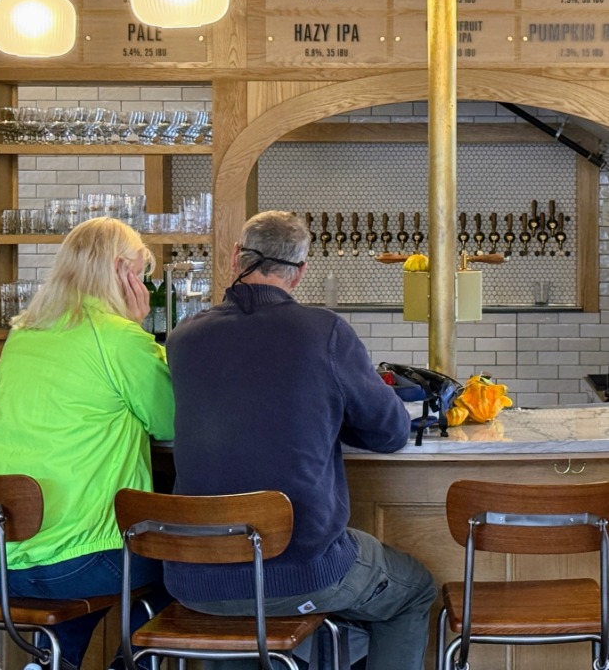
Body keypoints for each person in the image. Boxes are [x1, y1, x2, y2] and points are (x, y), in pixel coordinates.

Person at [165, 211, 437, 670]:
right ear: (301, 271)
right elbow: (390, 431)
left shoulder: (183, 339)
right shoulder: (324, 332)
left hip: (195, 578)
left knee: (243, 608)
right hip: (300, 572)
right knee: (414, 592)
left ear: (236, 257)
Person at [0, 216, 175, 669]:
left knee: (82, 558)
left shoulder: (24, 334)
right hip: (69, 565)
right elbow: (171, 422)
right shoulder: (120, 339)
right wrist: (137, 330)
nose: (146, 287)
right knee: (184, 564)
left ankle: (52, 662)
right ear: (120, 271)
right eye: (142, 274)